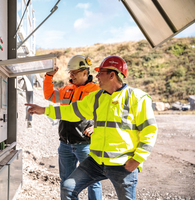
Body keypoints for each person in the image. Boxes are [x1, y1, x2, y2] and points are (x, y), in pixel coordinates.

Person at [26, 55, 158, 200]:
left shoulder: (137, 98)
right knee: (68, 187)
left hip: (123, 163)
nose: (96, 76)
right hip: (96, 162)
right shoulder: (96, 97)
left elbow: (149, 130)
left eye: (100, 73)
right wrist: (44, 110)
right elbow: (70, 111)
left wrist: (137, 159)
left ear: (112, 75)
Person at [43, 55, 102, 199]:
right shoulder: (67, 89)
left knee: (93, 182)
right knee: (66, 181)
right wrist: (48, 77)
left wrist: (96, 126)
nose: (71, 75)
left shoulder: (97, 90)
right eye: (70, 72)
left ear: (84, 72)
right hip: (65, 144)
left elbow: (106, 113)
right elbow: (49, 95)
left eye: (74, 72)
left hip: (86, 144)